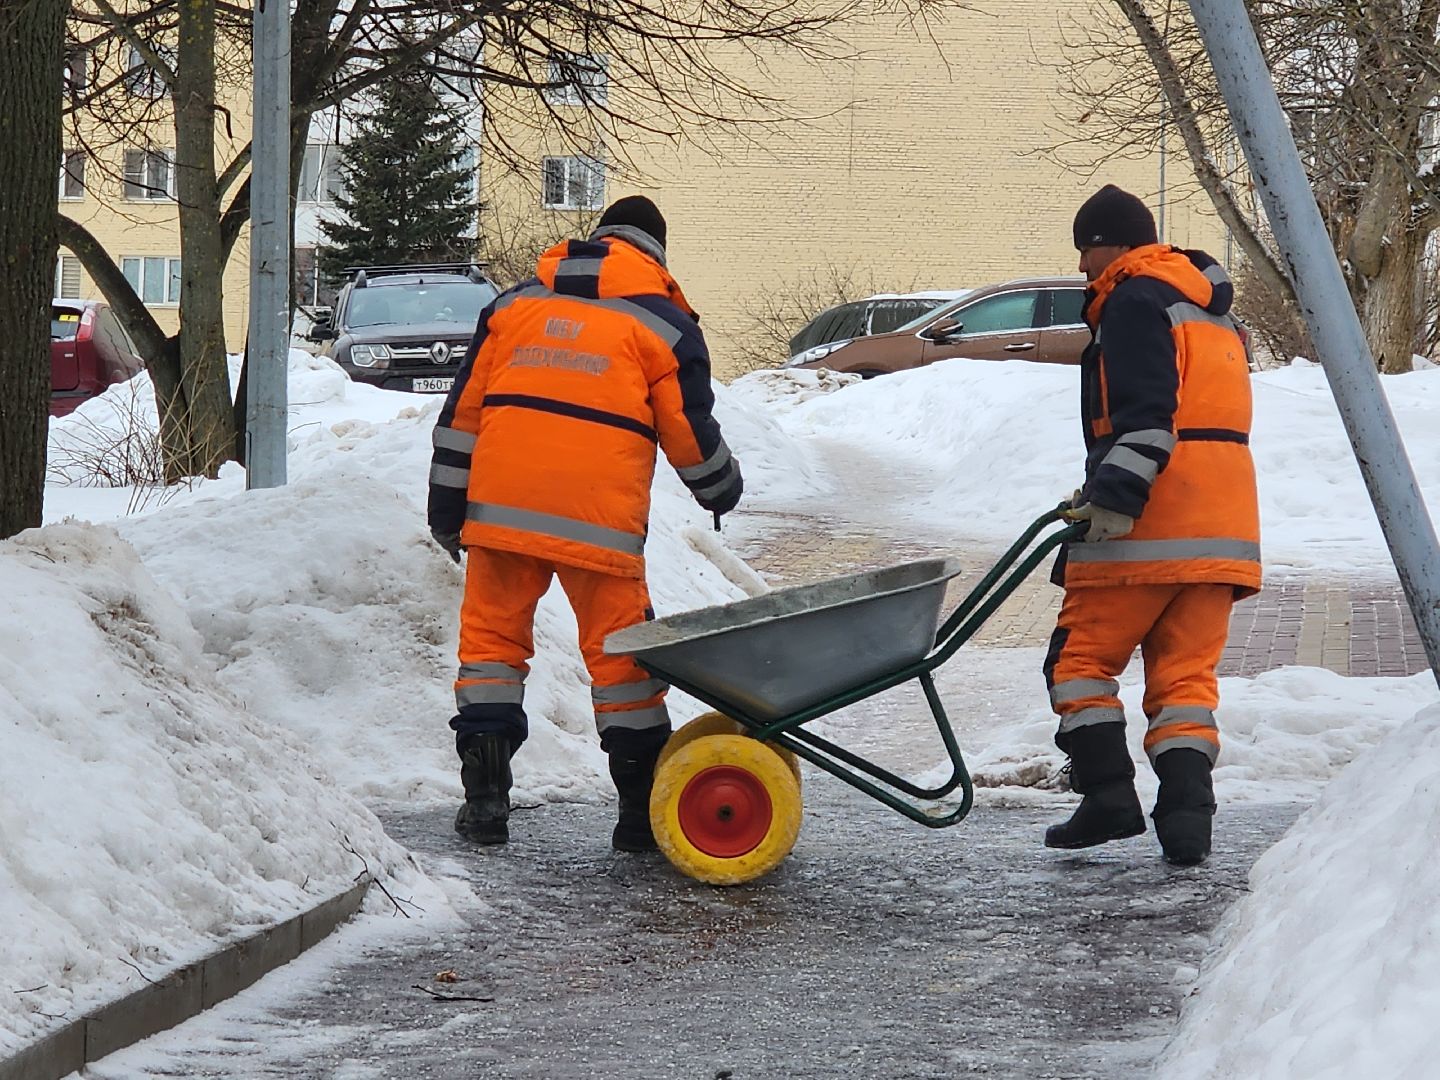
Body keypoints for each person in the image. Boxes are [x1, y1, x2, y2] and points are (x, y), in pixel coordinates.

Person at [427, 196, 743, 850]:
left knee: (490, 650)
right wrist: (721, 486)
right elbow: (689, 435)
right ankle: (638, 816)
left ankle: (485, 803)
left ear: (595, 240)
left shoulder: (512, 308)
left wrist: (446, 509)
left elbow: (461, 419)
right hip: (597, 527)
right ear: (656, 255)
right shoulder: (663, 325)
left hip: (499, 513)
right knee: (623, 664)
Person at [1044, 184, 1260, 866]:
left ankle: (1108, 797)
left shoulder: (1133, 297)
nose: (1083, 267)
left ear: (1116, 245)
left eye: (1088, 249)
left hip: (1148, 522)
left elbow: (1147, 416)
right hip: (1222, 528)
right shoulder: (1207, 310)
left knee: (1078, 665)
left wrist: (1113, 497)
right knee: (1185, 683)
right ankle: (1188, 824)